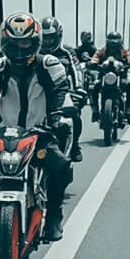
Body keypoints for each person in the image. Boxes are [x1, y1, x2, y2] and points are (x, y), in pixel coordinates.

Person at [0, 13, 74, 242]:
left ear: (34, 41)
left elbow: (59, 92)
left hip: (40, 133)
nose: (18, 48)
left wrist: (56, 119)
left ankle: (54, 216)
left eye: (24, 42)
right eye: (13, 43)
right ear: (5, 42)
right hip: (5, 134)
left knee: (61, 166)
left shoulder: (49, 64)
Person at [39, 17, 85, 163]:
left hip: (62, 93)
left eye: (50, 38)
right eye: (44, 38)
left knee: (74, 115)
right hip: (37, 94)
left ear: (57, 36)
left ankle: (75, 146)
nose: (47, 42)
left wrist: (78, 88)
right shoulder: (34, 52)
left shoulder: (67, 52)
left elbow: (76, 69)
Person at [87, 30, 130, 125]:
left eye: (115, 41)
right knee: (91, 88)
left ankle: (128, 113)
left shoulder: (123, 51)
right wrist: (93, 63)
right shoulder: (103, 50)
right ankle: (95, 111)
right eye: (111, 41)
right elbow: (96, 57)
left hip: (121, 78)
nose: (113, 44)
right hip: (104, 78)